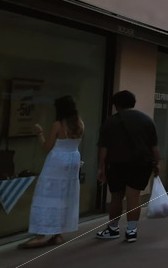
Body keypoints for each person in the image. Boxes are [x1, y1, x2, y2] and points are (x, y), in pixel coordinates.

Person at [18, 96, 84, 249]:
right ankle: (57, 234)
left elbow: (47, 147)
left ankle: (40, 235)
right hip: (73, 159)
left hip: (57, 162)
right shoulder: (80, 124)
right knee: (64, 196)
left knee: (46, 195)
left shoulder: (58, 124)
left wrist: (39, 133)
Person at [96, 91, 160, 243]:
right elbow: (154, 148)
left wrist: (101, 168)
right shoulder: (147, 120)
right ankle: (131, 231)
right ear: (133, 102)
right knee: (134, 197)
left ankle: (113, 229)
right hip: (141, 164)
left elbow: (103, 149)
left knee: (116, 197)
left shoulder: (110, 122)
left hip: (117, 164)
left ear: (116, 105)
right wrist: (156, 164)